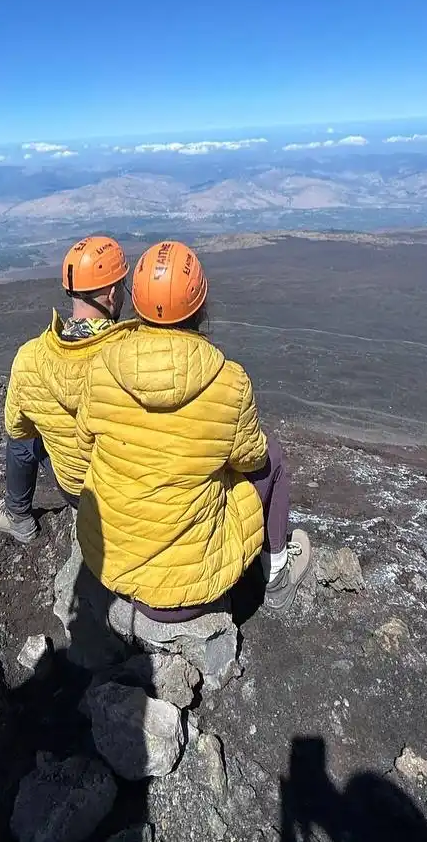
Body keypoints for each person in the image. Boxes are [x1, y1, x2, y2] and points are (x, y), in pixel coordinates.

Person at [76, 239, 311, 614]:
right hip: (192, 586)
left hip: (110, 568)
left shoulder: (101, 368)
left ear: (134, 300)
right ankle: (277, 575)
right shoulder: (228, 382)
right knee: (273, 459)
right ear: (199, 305)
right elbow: (250, 461)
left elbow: (84, 443)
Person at [0, 235, 136, 543]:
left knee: (22, 439)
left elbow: (16, 428)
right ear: (111, 293)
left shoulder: (30, 358)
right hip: (125, 495)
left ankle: (19, 517)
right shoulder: (133, 353)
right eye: (122, 286)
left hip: (77, 491)